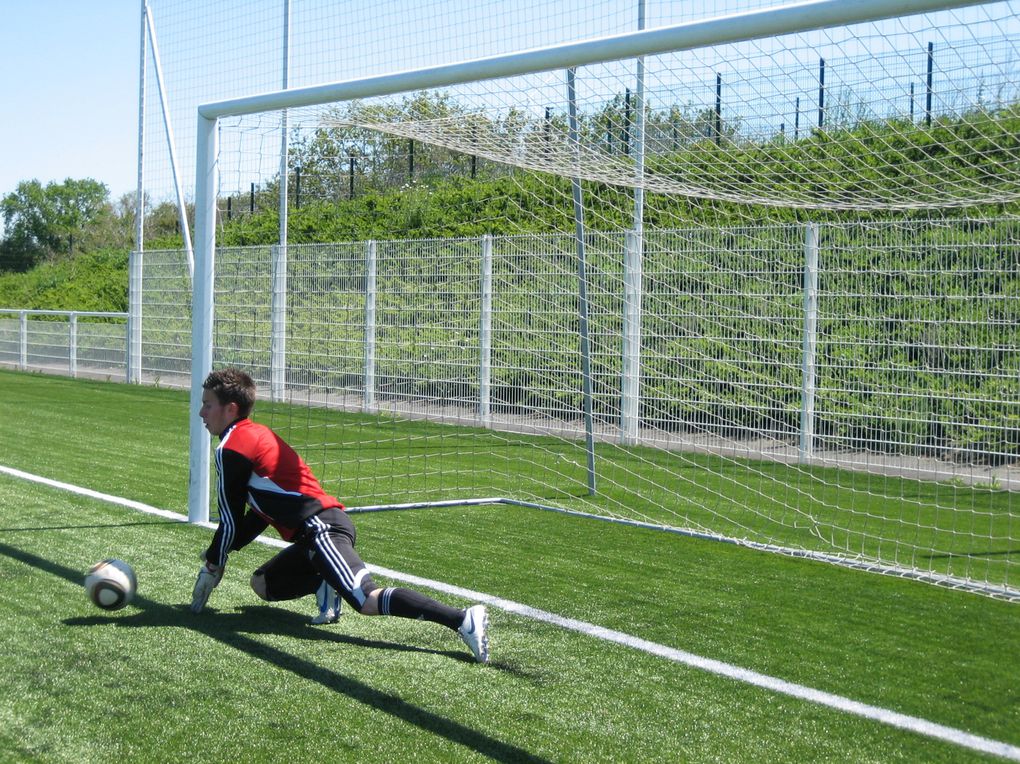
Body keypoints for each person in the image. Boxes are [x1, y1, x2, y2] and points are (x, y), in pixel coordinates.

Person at [189, 367, 489, 663]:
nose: (201, 412)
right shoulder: (252, 434)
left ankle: (462, 619)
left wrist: (214, 564)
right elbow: (259, 515)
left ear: (230, 409)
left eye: (207, 404)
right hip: (313, 534)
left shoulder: (232, 447)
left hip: (322, 529)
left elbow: (229, 520)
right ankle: (324, 580)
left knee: (366, 599)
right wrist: (219, 551)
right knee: (263, 585)